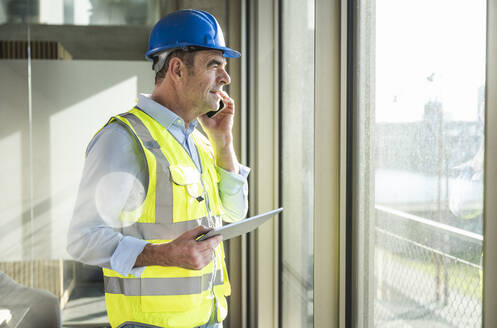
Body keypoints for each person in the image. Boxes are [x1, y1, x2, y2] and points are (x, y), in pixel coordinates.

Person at [67, 9, 249, 328]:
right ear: (177, 69)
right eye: (214, 65)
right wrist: (164, 255)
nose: (226, 78)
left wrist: (223, 141)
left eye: (225, 66)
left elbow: (235, 213)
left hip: (206, 316)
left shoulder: (200, 139)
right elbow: (82, 239)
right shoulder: (123, 139)